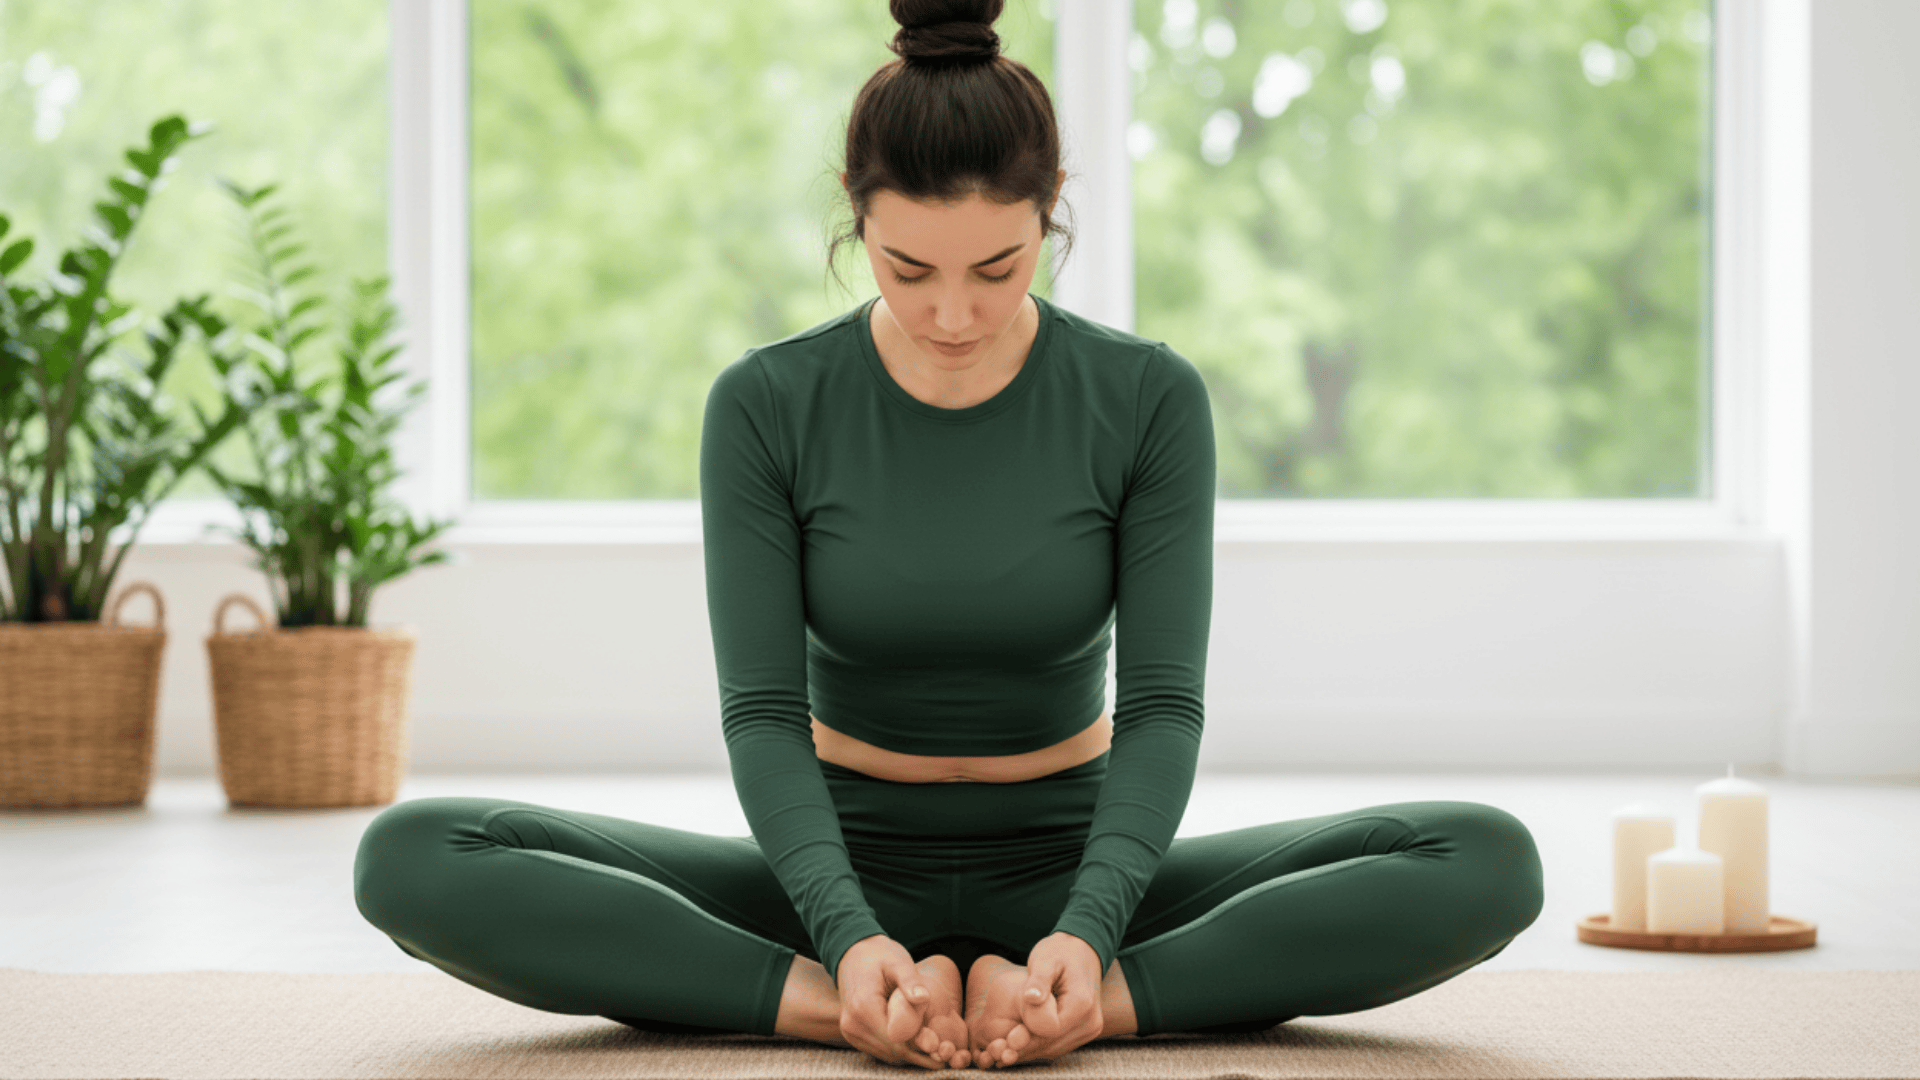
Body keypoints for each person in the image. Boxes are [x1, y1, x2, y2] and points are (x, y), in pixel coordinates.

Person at [352, 0, 1544, 1069]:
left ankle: (1096, 1004)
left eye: (1000, 266)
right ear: (855, 221)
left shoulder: (1147, 399)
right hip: (838, 856)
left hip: (1078, 859)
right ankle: (840, 1006)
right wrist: (847, 939)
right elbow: (763, 716)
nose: (954, 314)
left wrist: (1088, 935)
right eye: (907, 266)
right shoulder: (766, 406)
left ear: (1051, 218)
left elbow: (1165, 707)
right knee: (411, 856)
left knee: (1486, 858)